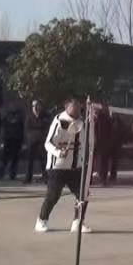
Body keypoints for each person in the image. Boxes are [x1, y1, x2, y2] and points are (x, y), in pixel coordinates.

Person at [34, 98, 91, 234]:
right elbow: (48, 143)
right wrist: (59, 152)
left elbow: (84, 143)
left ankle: (78, 222)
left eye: (78, 107)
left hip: (75, 167)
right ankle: (41, 220)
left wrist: (84, 159)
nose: (77, 110)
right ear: (67, 107)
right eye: (74, 107)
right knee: (53, 195)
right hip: (57, 167)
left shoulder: (81, 122)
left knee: (83, 194)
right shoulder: (59, 121)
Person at [22, 100, 50, 184]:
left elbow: (46, 125)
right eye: (34, 106)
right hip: (32, 140)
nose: (35, 107)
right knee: (30, 160)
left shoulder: (45, 115)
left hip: (42, 140)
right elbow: (27, 127)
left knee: (43, 159)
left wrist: (39, 125)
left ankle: (45, 177)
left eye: (37, 105)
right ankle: (28, 178)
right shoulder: (29, 115)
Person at [0, 104, 25, 181]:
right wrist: (2, 140)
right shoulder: (7, 118)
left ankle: (10, 174)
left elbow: (21, 130)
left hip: (15, 140)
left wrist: (22, 141)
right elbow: (3, 129)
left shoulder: (18, 118)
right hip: (9, 139)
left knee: (13, 159)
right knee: (6, 159)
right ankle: (1, 174)